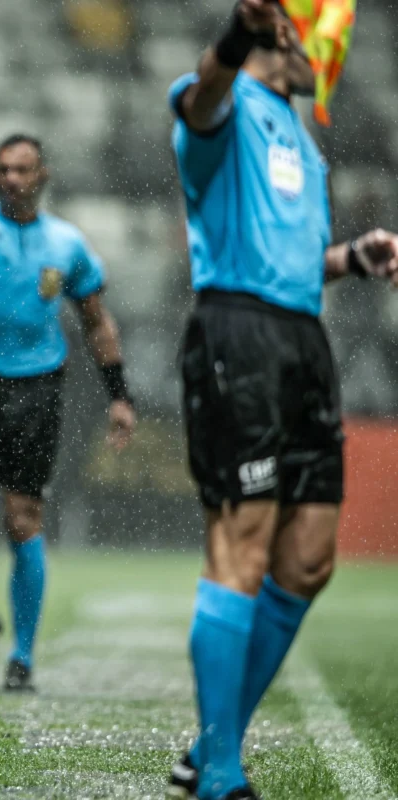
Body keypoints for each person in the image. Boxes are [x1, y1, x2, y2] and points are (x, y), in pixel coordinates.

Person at [166, 3, 398, 798]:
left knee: (308, 560)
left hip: (303, 339)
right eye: (326, 43)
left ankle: (207, 744)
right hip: (237, 335)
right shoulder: (219, 105)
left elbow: (287, 255)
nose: (331, 62)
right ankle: (220, 776)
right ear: (288, 35)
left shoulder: (301, 133)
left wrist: (348, 259)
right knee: (244, 541)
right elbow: (201, 101)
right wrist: (237, 35)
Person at [0, 134, 136, 691]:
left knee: (22, 521)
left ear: (42, 175)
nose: (9, 178)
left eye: (20, 170)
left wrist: (118, 395)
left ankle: (23, 657)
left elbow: (96, 323)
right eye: (1, 169)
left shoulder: (66, 244)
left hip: (37, 394)